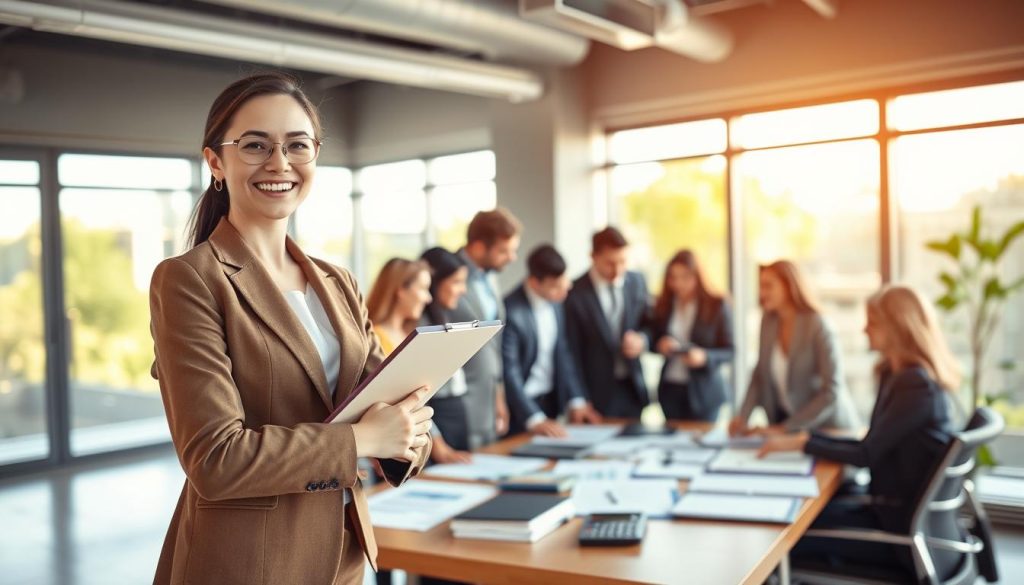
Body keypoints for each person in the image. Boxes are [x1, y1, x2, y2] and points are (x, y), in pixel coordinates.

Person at [149, 72, 432, 585]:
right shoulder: (190, 279)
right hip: (249, 565)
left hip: (341, 558)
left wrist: (409, 431)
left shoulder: (337, 282)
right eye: (255, 145)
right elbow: (216, 458)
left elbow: (388, 409)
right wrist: (362, 439)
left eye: (297, 145)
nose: (279, 163)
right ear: (216, 161)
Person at [758, 285, 963, 579]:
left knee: (781, 532)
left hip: (893, 531)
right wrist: (805, 441)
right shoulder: (895, 374)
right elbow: (871, 444)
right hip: (889, 509)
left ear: (897, 328)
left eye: (873, 321)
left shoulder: (914, 385)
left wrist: (803, 442)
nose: (865, 329)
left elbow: (866, 454)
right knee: (791, 512)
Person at [730, 260, 859, 435]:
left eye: (768, 286)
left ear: (789, 286)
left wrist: (785, 429)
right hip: (791, 433)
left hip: (828, 429)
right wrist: (742, 417)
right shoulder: (768, 321)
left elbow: (831, 391)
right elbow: (760, 373)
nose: (762, 293)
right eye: (760, 286)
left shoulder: (817, 324)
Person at [502, 245, 602, 436]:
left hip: (551, 403)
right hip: (522, 411)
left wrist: (576, 400)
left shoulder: (556, 304)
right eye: (555, 286)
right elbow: (510, 372)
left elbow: (563, 353)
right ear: (534, 282)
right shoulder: (511, 311)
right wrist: (533, 418)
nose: (564, 291)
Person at [450, 208, 522, 447]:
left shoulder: (489, 276)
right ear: (479, 247)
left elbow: (493, 342)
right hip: (459, 402)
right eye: (504, 251)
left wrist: (499, 394)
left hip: (488, 400)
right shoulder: (447, 275)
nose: (512, 258)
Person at [564, 226, 652, 418]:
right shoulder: (574, 293)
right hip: (594, 396)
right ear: (593, 257)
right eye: (610, 263)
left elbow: (651, 325)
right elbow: (570, 352)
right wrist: (578, 398)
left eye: (623, 261)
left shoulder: (637, 282)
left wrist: (642, 340)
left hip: (632, 389)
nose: (618, 270)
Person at [651, 250, 734, 422]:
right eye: (673, 277)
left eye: (685, 277)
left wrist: (704, 357)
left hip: (704, 392)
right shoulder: (664, 304)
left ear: (697, 276)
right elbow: (652, 338)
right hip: (671, 390)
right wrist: (660, 345)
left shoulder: (716, 305)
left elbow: (730, 350)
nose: (678, 283)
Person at [419, 246, 474, 464]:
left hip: (455, 411)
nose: (463, 290)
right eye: (456, 282)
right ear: (434, 282)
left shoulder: (443, 315)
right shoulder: (419, 327)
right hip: (436, 414)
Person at [366, 258, 432, 354]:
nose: (428, 298)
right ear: (401, 290)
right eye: (423, 288)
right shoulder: (374, 339)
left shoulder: (410, 334)